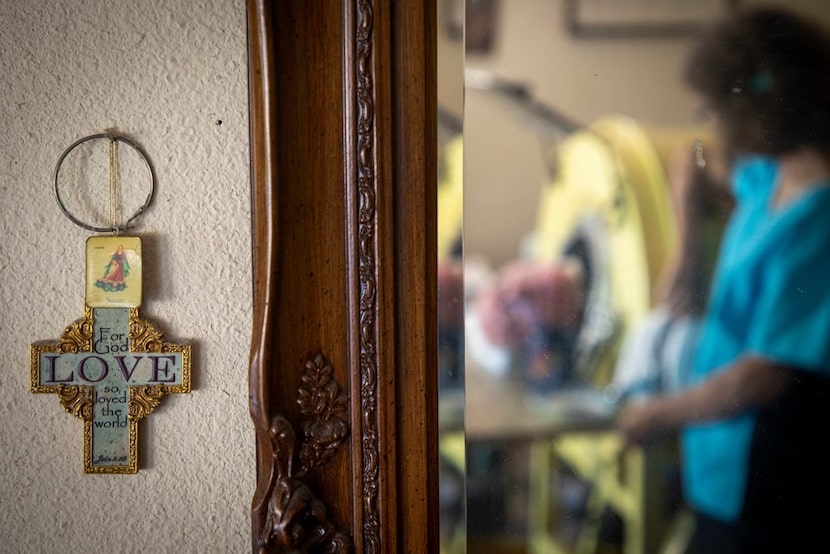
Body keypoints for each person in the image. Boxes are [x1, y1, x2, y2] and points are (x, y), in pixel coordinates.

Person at [618, 8, 830, 553]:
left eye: (714, 110)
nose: (706, 122)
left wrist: (659, 413)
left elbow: (761, 377)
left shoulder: (817, 217)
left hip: (772, 465)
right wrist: (687, 247)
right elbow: (690, 157)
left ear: (758, 108)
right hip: (722, 458)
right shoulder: (768, 174)